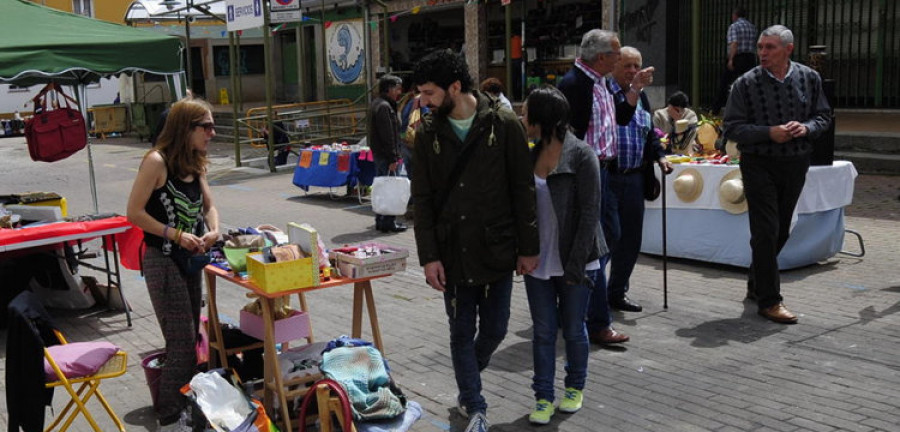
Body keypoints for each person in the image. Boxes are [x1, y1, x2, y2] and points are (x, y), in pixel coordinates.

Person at [411, 49, 539, 432]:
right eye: (421, 93)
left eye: (430, 92)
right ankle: (476, 405)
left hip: (497, 247)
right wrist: (428, 256)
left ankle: (467, 387)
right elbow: (422, 200)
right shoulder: (427, 133)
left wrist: (529, 247)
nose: (423, 101)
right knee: (461, 332)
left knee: (496, 328)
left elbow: (523, 188)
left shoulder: (503, 124)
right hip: (451, 253)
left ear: (455, 87)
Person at [722, 25, 832, 324]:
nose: (763, 53)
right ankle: (770, 301)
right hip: (759, 163)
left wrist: (806, 128)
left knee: (781, 228)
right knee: (766, 230)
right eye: (760, 47)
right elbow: (731, 126)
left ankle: (757, 282)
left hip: (795, 162)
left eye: (770, 47)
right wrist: (769, 133)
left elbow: (823, 116)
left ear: (788, 49)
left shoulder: (809, 78)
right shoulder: (745, 83)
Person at [126, 97, 221, 432]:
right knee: (181, 343)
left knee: (189, 339)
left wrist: (213, 229)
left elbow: (209, 205)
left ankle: (184, 406)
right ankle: (169, 415)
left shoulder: (194, 161)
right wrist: (175, 234)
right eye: (206, 126)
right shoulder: (156, 161)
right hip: (162, 260)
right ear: (186, 128)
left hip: (189, 260)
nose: (212, 132)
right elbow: (133, 213)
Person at [558, 29, 653, 344]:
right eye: (616, 54)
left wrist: (636, 89)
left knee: (607, 238)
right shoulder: (574, 86)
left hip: (605, 173)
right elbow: (565, 138)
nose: (620, 59)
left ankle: (578, 302)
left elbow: (622, 118)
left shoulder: (601, 84)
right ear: (601, 58)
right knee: (594, 246)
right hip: (586, 174)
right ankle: (596, 320)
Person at [521, 86, 605, 424]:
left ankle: (575, 387)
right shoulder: (529, 156)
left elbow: (590, 214)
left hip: (578, 258)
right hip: (538, 263)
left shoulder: (582, 155)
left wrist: (575, 265)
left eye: (527, 113)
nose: (523, 118)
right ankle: (543, 396)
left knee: (573, 328)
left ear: (543, 118)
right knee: (543, 331)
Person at [606, 47, 674, 318]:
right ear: (614, 66)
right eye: (627, 65)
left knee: (631, 240)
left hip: (634, 176)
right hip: (608, 175)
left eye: (637, 66)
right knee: (608, 237)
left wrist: (660, 157)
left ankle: (617, 291)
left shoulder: (643, 98)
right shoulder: (606, 93)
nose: (633, 71)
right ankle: (591, 296)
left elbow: (650, 134)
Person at [369, 74, 407, 233]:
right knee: (389, 188)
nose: (399, 92)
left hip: (380, 155)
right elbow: (388, 135)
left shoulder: (378, 104)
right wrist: (393, 157)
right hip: (386, 156)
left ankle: (381, 219)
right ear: (390, 89)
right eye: (397, 88)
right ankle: (388, 221)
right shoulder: (384, 107)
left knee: (382, 187)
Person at [712, 6, 758, 115]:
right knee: (748, 84)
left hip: (738, 58)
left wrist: (731, 59)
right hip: (750, 58)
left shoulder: (734, 26)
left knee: (725, 83)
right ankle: (749, 110)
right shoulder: (752, 27)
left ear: (735, 15)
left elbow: (734, 43)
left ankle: (716, 110)